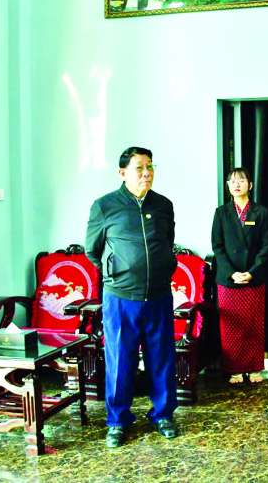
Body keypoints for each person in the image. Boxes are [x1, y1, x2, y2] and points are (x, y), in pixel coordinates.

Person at [86, 146, 178, 448]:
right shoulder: (104, 206)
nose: (146, 173)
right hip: (120, 298)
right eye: (139, 168)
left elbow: (167, 243)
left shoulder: (163, 205)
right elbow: (92, 250)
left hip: (159, 295)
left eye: (150, 167)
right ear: (122, 172)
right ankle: (117, 421)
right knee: (120, 360)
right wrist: (117, 272)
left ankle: (163, 414)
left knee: (161, 358)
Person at [211, 167, 268, 384]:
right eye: (233, 181)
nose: (237, 184)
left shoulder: (261, 212)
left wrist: (252, 273)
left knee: (254, 325)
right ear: (228, 186)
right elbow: (217, 246)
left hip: (254, 277)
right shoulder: (221, 213)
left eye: (242, 180)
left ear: (250, 185)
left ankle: (254, 368)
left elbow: (267, 246)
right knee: (231, 327)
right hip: (228, 279)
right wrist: (232, 273)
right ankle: (234, 369)